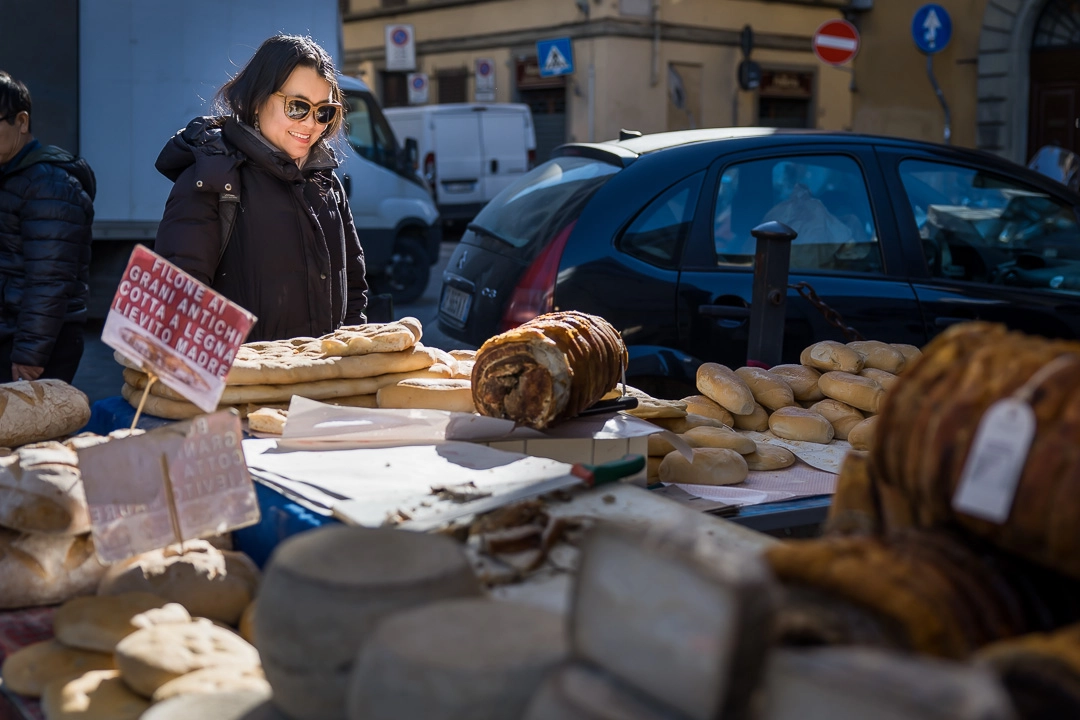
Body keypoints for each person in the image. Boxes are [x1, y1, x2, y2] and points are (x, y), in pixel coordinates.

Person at [154, 34, 368, 342]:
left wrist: (346, 369)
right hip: (244, 387)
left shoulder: (329, 185)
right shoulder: (212, 180)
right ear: (257, 100)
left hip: (322, 388)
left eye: (324, 111)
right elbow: (177, 309)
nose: (310, 123)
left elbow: (354, 291)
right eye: (297, 107)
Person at [0, 71, 96, 384]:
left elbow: (50, 279)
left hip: (32, 344)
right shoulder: (12, 175)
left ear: (22, 122)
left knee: (28, 432)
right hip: (15, 335)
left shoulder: (48, 184)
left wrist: (30, 355)